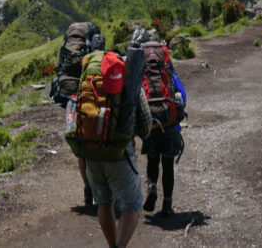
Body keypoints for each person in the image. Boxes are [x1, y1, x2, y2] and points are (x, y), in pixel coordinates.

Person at [79, 28, 152, 248]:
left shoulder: (89, 79)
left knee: (103, 202)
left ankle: (112, 245)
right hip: (119, 153)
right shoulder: (125, 80)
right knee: (132, 204)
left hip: (91, 152)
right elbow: (146, 124)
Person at [50, 22, 105, 209]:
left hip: (70, 94)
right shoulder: (93, 39)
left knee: (80, 144)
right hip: (88, 95)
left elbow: (59, 66)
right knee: (96, 138)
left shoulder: (67, 40)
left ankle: (87, 187)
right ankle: (100, 188)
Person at [141, 42, 186, 218]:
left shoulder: (144, 76)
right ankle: (167, 204)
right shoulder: (170, 76)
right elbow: (183, 97)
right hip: (169, 125)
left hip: (151, 124)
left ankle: (152, 187)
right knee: (168, 166)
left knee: (152, 161)